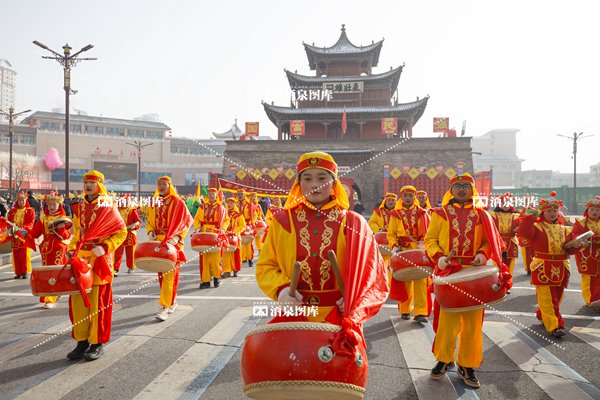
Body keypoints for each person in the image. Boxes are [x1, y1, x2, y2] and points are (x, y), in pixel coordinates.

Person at [256, 150, 388, 326]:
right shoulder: (282, 222)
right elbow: (266, 266)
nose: (314, 185)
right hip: (295, 313)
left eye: (322, 178)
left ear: (334, 183)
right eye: (307, 179)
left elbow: (372, 271)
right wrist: (281, 291)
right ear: (299, 184)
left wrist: (355, 295)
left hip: (341, 314)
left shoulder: (353, 222)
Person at [425, 173, 509, 388]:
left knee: (473, 323)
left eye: (466, 186)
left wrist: (483, 253)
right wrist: (440, 258)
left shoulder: (482, 215)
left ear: (472, 190)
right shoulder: (440, 213)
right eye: (457, 186)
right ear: (450, 190)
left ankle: (467, 364)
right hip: (449, 272)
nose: (462, 189)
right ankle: (444, 359)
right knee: (448, 320)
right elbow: (430, 240)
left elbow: (489, 242)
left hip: (474, 274)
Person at [66, 170, 127, 361]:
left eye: (92, 182)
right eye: (86, 182)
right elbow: (76, 234)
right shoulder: (79, 207)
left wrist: (106, 246)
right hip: (81, 259)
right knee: (78, 303)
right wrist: (71, 248)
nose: (88, 185)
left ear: (100, 185)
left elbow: (121, 232)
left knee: (98, 304)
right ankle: (82, 341)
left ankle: (97, 342)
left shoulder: (108, 206)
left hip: (99, 259)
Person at [517, 191, 581, 338]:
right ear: (543, 212)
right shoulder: (537, 226)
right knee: (547, 298)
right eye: (548, 211)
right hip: (542, 266)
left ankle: (542, 315)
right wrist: (530, 216)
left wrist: (579, 244)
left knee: (557, 297)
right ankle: (555, 325)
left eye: (554, 211)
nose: (552, 214)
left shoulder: (565, 229)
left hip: (561, 266)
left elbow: (570, 248)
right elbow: (524, 232)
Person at [146, 176, 193, 321]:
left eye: (164, 184)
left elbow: (186, 221)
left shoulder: (178, 202)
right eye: (159, 184)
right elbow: (149, 220)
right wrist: (150, 231)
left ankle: (165, 306)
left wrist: (177, 238)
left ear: (170, 185)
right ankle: (171, 301)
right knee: (162, 276)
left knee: (169, 276)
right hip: (158, 242)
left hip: (172, 242)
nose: (161, 186)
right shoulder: (154, 202)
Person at [387, 186, 430, 322]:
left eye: (410, 196)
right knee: (404, 280)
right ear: (401, 197)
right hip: (402, 250)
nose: (408, 198)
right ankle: (405, 309)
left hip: (418, 250)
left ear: (414, 197)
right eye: (405, 195)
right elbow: (391, 233)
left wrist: (423, 243)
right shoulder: (395, 214)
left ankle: (420, 312)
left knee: (420, 281)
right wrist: (394, 246)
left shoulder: (422, 213)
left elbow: (428, 232)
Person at [25, 192, 71, 308]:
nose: (51, 206)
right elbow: (36, 231)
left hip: (58, 247)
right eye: (49, 204)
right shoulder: (43, 218)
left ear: (59, 205)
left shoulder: (62, 218)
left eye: (53, 204)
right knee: (46, 272)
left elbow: (66, 236)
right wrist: (29, 235)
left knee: (55, 271)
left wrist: (61, 229)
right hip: (45, 247)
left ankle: (51, 298)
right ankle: (49, 294)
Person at [568, 196, 600, 309]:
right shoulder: (581, 223)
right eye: (592, 210)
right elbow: (575, 236)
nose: (594, 212)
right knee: (588, 277)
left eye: (597, 210)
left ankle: (598, 299)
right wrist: (590, 239)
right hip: (586, 253)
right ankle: (590, 300)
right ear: (587, 211)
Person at [194, 188, 228, 288]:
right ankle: (206, 281)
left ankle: (216, 278)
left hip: (215, 234)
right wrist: (197, 228)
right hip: (204, 233)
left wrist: (223, 229)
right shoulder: (202, 207)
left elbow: (226, 220)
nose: (211, 196)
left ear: (216, 195)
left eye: (213, 194)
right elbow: (196, 219)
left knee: (215, 259)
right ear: (207, 196)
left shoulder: (220, 207)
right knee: (204, 259)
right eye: (209, 194)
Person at [488, 192, 521, 292]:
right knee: (498, 264)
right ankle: (498, 283)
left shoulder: (516, 215)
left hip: (511, 242)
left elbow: (523, 226)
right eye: (503, 202)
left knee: (509, 264)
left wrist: (518, 228)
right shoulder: (493, 214)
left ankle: (507, 285)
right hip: (498, 241)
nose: (506, 205)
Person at [8, 192, 35, 279]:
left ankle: (26, 271)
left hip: (24, 235)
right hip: (14, 235)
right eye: (19, 200)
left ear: (25, 200)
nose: (21, 202)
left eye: (22, 200)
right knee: (16, 254)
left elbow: (30, 223)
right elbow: (9, 222)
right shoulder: (12, 211)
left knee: (24, 254)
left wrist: (22, 228)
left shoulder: (30, 210)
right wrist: (11, 230)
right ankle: (18, 272)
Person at [114, 194, 141, 276]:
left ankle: (131, 267)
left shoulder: (132, 210)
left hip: (130, 234)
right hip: (119, 234)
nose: (124, 203)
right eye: (122, 201)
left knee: (130, 252)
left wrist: (132, 226)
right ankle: (115, 268)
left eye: (126, 201)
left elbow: (138, 222)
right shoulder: (116, 210)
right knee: (118, 252)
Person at [222, 197, 245, 278]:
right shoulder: (224, 213)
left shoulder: (238, 214)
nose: (230, 205)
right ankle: (226, 271)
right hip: (226, 235)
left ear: (235, 204)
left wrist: (235, 231)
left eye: (231, 203)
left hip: (235, 236)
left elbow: (242, 225)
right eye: (228, 203)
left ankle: (236, 270)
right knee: (225, 253)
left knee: (236, 253)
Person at [237, 189, 257, 267]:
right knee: (239, 243)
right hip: (238, 226)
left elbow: (254, 215)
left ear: (244, 195)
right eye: (238, 194)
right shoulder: (235, 204)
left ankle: (250, 259)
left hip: (247, 225)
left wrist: (252, 223)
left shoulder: (249, 204)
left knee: (248, 244)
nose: (240, 196)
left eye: (241, 194)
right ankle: (241, 259)